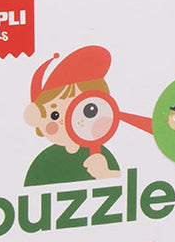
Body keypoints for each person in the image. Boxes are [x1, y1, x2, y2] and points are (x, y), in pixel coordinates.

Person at [23, 46, 121, 186]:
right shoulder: (45, 160)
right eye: (55, 115)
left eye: (89, 110)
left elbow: (125, 185)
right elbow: (31, 188)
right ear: (36, 118)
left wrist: (105, 174)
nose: (71, 122)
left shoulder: (101, 157)